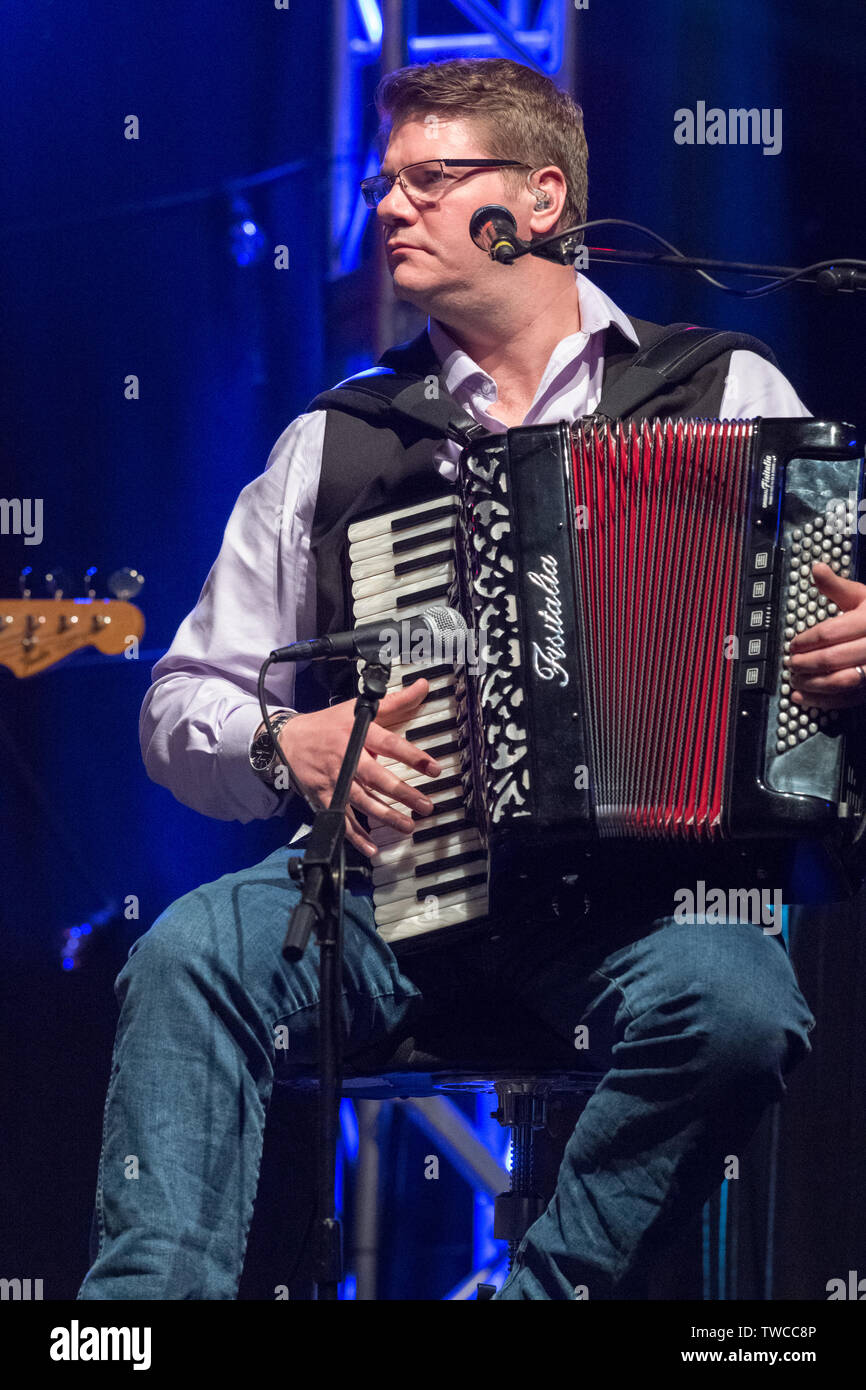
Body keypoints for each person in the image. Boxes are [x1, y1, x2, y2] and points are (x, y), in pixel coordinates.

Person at [77, 57, 866, 1301]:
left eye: (429, 179)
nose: (387, 207)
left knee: (738, 1008)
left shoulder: (724, 389)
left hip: (645, 903)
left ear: (539, 200)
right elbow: (177, 705)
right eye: (383, 183)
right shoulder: (343, 435)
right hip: (384, 893)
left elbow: (820, 647)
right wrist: (291, 745)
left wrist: (850, 655)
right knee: (188, 955)